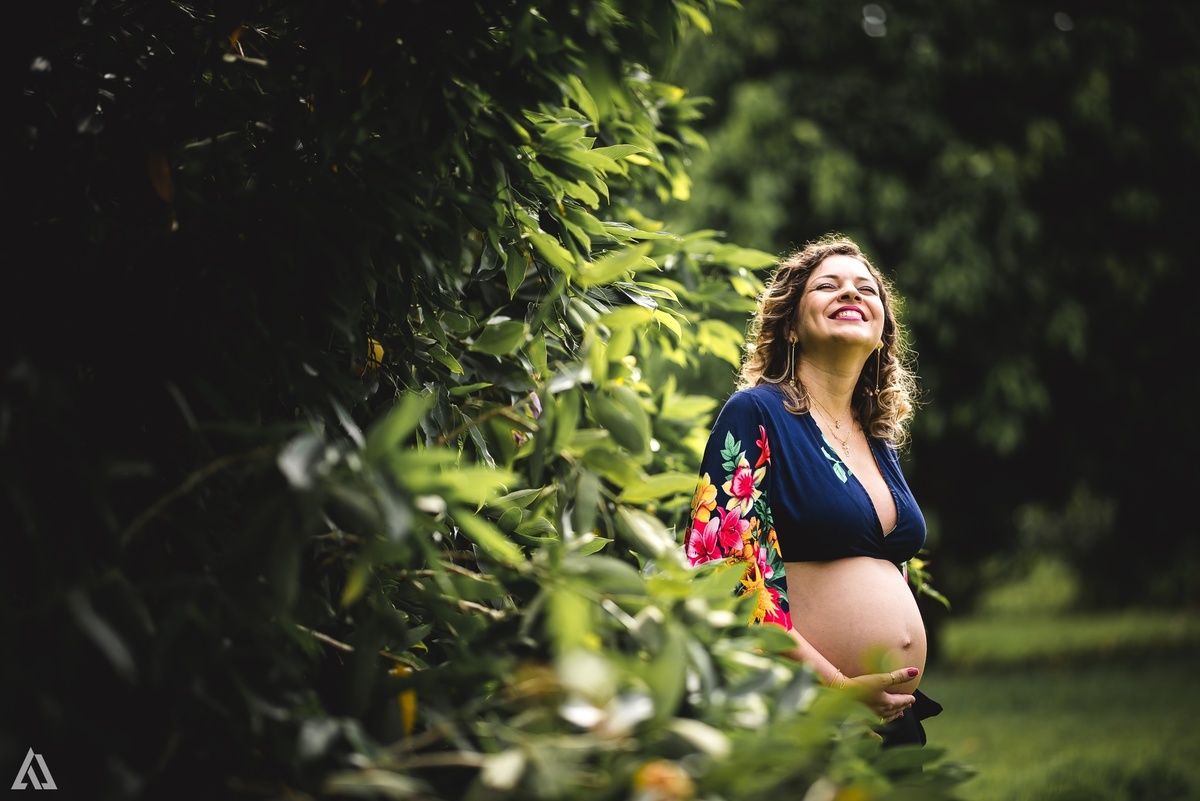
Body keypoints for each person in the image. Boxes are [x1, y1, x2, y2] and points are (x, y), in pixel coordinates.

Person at [685, 233, 941, 747]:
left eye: (865, 288)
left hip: (889, 718)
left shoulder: (875, 436)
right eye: (828, 286)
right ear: (792, 326)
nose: (850, 293)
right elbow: (723, 575)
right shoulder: (757, 412)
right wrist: (836, 685)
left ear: (882, 331)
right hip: (801, 711)